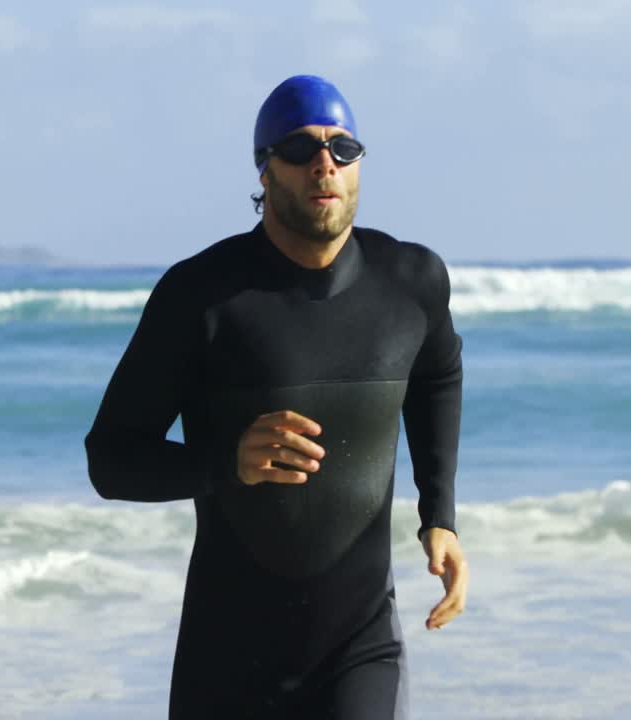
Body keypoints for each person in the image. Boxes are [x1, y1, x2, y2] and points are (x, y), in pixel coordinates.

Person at [85, 74, 469, 719]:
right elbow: (111, 460)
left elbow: (437, 378)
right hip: (227, 657)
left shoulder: (411, 282)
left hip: (359, 645)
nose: (325, 164)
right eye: (299, 149)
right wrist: (225, 463)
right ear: (264, 171)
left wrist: (441, 516)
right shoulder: (203, 296)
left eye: (342, 148)